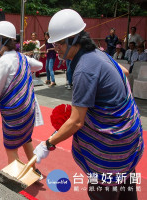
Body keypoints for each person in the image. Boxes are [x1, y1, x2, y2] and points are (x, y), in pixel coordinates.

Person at [33, 9, 143, 200]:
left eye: (59, 43)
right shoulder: (98, 53)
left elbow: (76, 122)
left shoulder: (84, 69)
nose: (55, 48)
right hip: (130, 135)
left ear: (74, 40)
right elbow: (124, 72)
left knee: (102, 191)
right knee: (126, 189)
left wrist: (47, 144)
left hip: (112, 146)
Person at [0, 21, 44, 178]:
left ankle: (16, 175)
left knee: (10, 144)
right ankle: (33, 169)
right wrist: (25, 61)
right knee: (26, 138)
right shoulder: (22, 58)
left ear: (6, 42)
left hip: (14, 111)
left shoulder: (1, 62)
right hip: (29, 108)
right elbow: (38, 65)